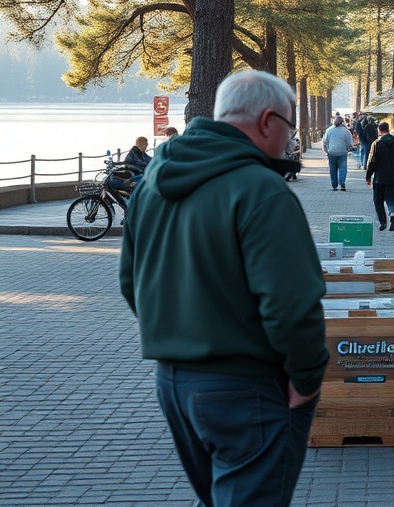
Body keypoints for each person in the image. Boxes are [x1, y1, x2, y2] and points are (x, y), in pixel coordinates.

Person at [118, 69, 327, 507]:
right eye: (289, 127)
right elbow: (291, 302)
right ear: (268, 121)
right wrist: (307, 377)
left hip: (173, 382)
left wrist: (181, 335)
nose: (289, 141)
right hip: (248, 384)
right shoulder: (261, 189)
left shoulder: (154, 181)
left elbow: (131, 282)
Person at [366, 120, 394, 232]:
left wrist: (368, 176)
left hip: (380, 178)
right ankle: (393, 213)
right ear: (388, 130)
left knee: (378, 199)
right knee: (391, 198)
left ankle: (383, 222)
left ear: (379, 130)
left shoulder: (377, 144)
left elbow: (372, 162)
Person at [322, 115, 354, 191]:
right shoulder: (346, 131)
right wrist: (348, 148)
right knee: (343, 168)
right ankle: (342, 182)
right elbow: (349, 143)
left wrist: (326, 151)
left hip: (332, 152)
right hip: (342, 152)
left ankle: (334, 185)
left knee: (333, 169)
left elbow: (325, 141)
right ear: (342, 122)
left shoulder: (329, 130)